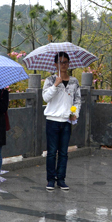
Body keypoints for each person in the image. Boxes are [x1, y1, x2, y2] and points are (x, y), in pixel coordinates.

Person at [43, 52, 81, 191]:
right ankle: (50, 179)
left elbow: (76, 100)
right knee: (52, 152)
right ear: (55, 64)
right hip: (52, 120)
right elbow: (46, 98)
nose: (63, 64)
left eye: (65, 62)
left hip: (66, 121)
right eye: (60, 62)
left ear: (68, 63)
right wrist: (55, 85)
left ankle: (61, 179)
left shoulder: (74, 81)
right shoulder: (50, 80)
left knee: (63, 152)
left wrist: (74, 113)